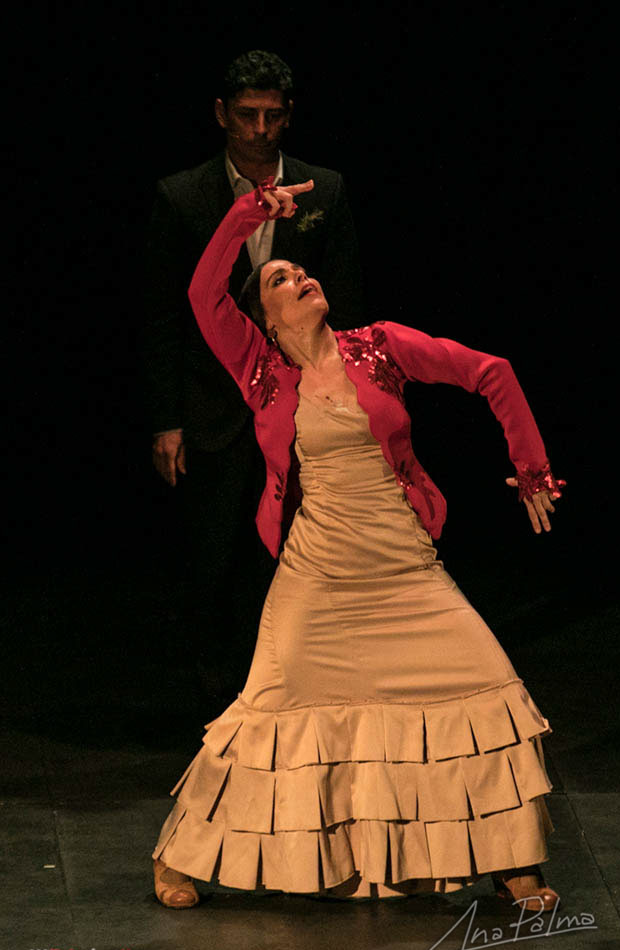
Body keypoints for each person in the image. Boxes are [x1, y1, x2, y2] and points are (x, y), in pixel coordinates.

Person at [151, 180, 566, 910]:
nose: (300, 277)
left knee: (483, 690)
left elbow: (490, 372)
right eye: (280, 279)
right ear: (264, 318)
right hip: (317, 577)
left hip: (404, 569)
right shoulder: (259, 371)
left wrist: (531, 467)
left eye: (301, 270)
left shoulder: (378, 348)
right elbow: (201, 292)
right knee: (269, 711)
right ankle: (181, 856)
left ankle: (511, 862)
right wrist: (251, 213)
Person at [143, 51, 363, 701]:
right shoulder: (182, 196)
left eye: (272, 115)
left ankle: (294, 683)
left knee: (299, 549)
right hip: (212, 399)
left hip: (298, 401)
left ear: (288, 116)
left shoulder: (324, 189)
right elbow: (162, 315)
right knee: (213, 554)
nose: (260, 129)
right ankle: (219, 694)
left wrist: (343, 399)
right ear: (221, 114)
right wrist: (167, 419)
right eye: (247, 115)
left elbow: (345, 303)